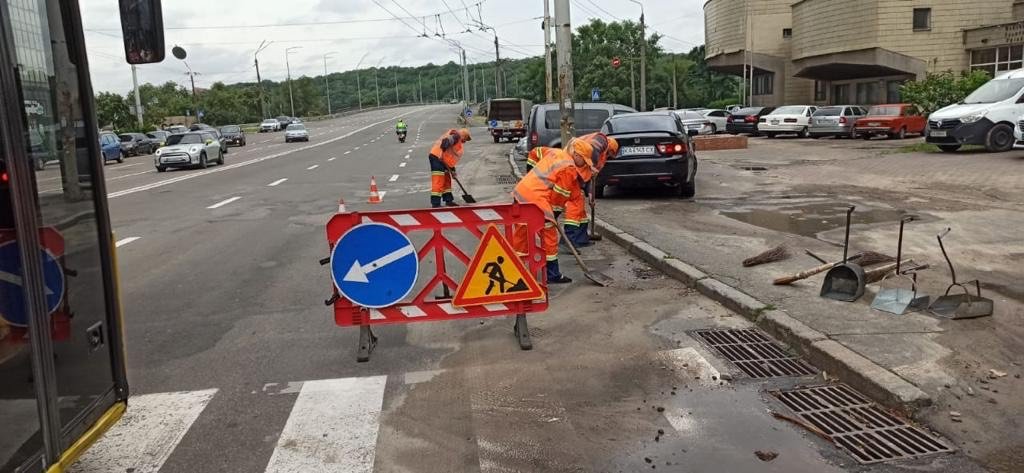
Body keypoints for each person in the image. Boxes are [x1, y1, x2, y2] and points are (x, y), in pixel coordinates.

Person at [512, 139, 595, 284]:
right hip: (537, 199)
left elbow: (536, 153)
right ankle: (552, 274)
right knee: (549, 236)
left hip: (521, 193)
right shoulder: (569, 168)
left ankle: (514, 269)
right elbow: (559, 196)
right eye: (584, 160)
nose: (584, 165)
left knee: (522, 234)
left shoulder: (555, 152)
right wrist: (554, 215)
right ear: (577, 155)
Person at [563, 134, 618, 247]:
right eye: (610, 153)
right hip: (571, 166)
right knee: (575, 205)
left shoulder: (601, 159)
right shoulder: (602, 140)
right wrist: (592, 166)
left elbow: (591, 180)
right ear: (610, 148)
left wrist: (591, 197)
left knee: (581, 207)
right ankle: (568, 241)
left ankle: (581, 238)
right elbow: (594, 150)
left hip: (577, 172)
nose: (609, 156)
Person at [427, 128, 472, 207]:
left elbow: (450, 158)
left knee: (447, 179)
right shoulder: (455, 136)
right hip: (437, 157)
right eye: (465, 139)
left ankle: (449, 200)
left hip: (444, 160)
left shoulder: (457, 141)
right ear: (463, 136)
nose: (464, 142)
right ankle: (435, 203)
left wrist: (453, 171)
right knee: (439, 180)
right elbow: (445, 142)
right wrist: (441, 154)